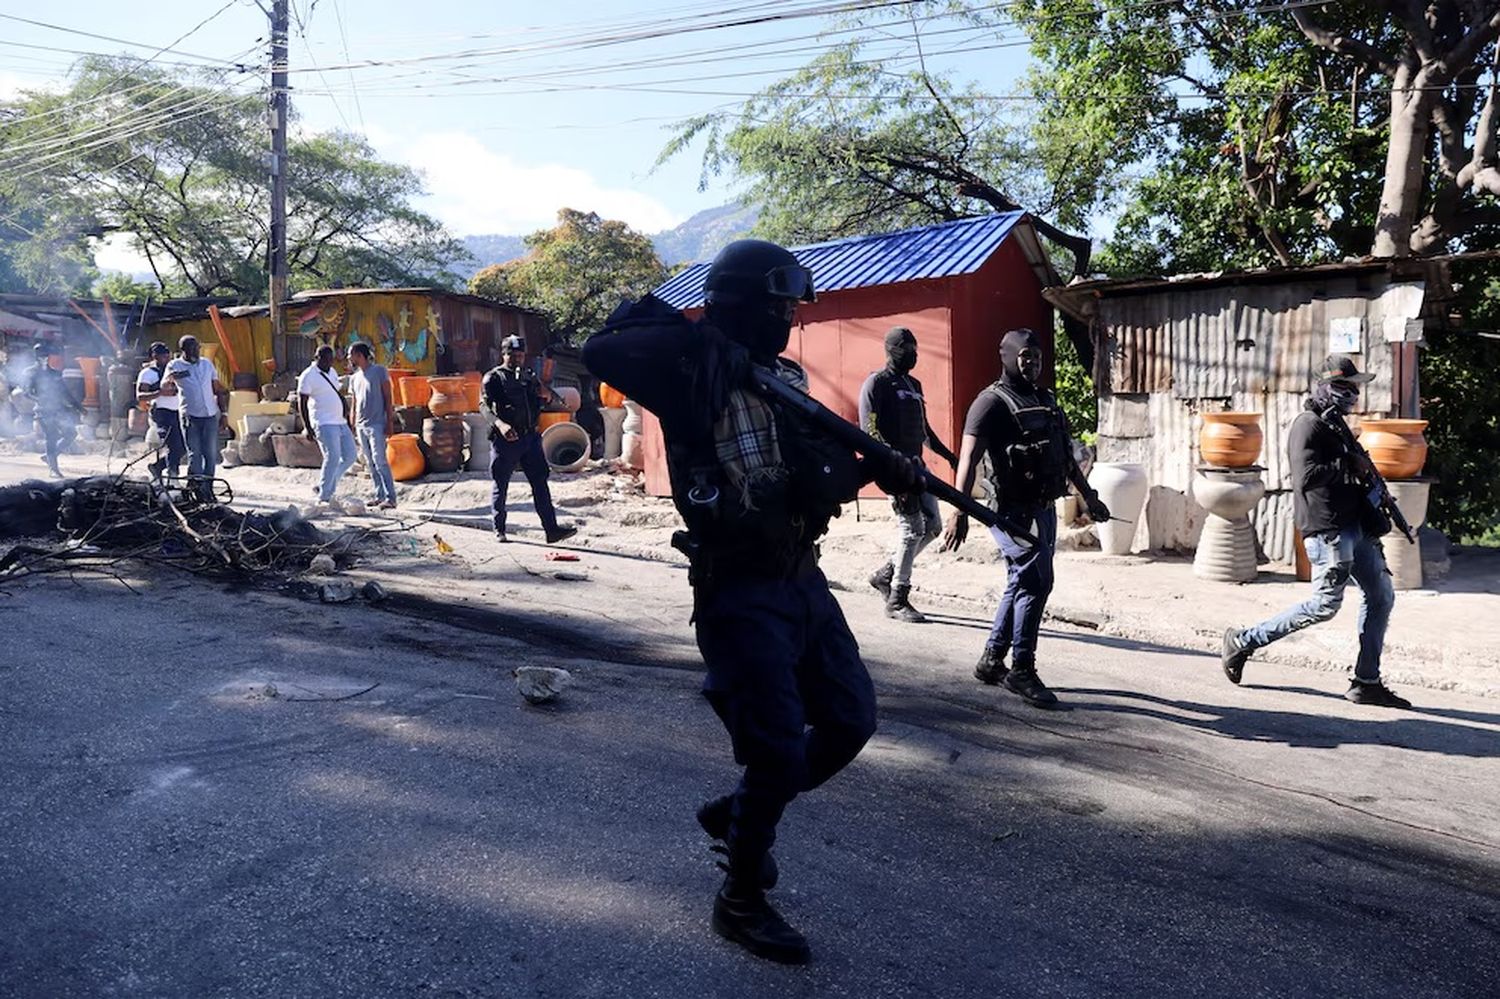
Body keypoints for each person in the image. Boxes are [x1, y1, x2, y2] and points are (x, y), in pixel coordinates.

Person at [583, 239, 920, 966]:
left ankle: (736, 815)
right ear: (740, 305)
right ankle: (738, 898)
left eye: (791, 307)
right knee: (773, 750)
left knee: (849, 718)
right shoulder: (689, 372)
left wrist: (880, 467)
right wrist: (707, 344)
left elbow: (814, 472)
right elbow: (602, 343)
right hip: (737, 588)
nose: (788, 319)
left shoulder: (786, 379)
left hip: (801, 577)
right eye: (777, 306)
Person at [1221, 354, 1410, 709]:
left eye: (1353, 387)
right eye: (1342, 386)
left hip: (1355, 525)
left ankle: (1366, 682)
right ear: (1322, 387)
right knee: (1324, 605)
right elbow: (1304, 477)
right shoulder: (1307, 424)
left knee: (1381, 595)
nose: (1351, 394)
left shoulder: (1335, 424)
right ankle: (1243, 641)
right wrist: (1346, 462)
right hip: (1328, 529)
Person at [941, 328, 1110, 709]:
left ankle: (991, 659)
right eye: (1024, 357)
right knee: (1036, 580)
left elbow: (1065, 456)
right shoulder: (989, 403)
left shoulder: (1046, 399)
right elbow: (967, 460)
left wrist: (1090, 496)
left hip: (1045, 507)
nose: (1032, 363)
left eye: (1037, 357)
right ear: (1007, 357)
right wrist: (960, 510)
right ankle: (1021, 668)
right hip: (1011, 511)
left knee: (1023, 581)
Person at [859, 326, 958, 622]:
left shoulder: (914, 384)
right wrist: (892, 461)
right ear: (891, 350)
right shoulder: (876, 384)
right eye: (907, 349)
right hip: (895, 471)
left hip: (918, 468)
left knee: (933, 527)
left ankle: (885, 574)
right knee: (912, 528)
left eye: (916, 349)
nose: (913, 354)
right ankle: (897, 600)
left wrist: (949, 456)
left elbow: (924, 430)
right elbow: (870, 430)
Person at [481, 335, 575, 544]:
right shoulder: (493, 378)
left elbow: (544, 397)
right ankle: (500, 529)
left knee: (540, 482)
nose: (517, 360)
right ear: (503, 354)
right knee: (501, 482)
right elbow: (484, 407)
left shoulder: (529, 376)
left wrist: (547, 395)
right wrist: (501, 425)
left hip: (530, 438)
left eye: (521, 356)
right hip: (506, 439)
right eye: (513, 356)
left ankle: (551, 530)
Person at [297, 344, 357, 511]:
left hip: (340, 421)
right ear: (317, 358)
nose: (330, 363)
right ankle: (324, 496)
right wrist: (307, 427)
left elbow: (336, 393)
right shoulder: (308, 375)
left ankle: (325, 484)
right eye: (326, 360)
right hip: (323, 422)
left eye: (331, 360)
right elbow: (301, 402)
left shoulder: (332, 372)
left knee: (351, 456)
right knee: (333, 457)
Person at [169, 336, 228, 493]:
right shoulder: (175, 365)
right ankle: (195, 489)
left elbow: (218, 389)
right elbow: (167, 384)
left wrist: (224, 414)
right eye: (191, 349)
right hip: (190, 416)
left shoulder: (207, 364)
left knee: (210, 455)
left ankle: (207, 491)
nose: (195, 351)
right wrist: (178, 377)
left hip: (209, 415)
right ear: (183, 350)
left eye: (197, 348)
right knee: (195, 455)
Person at [346, 342, 398, 510]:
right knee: (370, 462)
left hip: (377, 423)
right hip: (361, 425)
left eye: (350, 354)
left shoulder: (379, 371)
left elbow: (388, 397)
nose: (348, 358)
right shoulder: (354, 378)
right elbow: (354, 401)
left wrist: (390, 421)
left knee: (380, 460)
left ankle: (391, 498)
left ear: (359, 355)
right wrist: (352, 421)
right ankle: (379, 495)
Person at [22, 342, 81, 478]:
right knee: (51, 436)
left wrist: (78, 407)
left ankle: (49, 457)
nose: (43, 357)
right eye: (40, 355)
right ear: (36, 356)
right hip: (43, 411)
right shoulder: (31, 373)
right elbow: (27, 392)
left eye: (45, 355)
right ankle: (54, 469)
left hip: (58, 409)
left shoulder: (55, 373)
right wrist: (39, 400)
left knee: (71, 433)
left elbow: (65, 392)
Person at [136, 341, 185, 480]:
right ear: (154, 356)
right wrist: (160, 393)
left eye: (167, 355)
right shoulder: (147, 373)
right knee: (173, 445)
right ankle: (173, 476)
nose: (165, 358)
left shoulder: (173, 371)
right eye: (162, 356)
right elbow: (140, 396)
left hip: (179, 411)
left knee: (182, 447)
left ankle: (158, 467)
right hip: (162, 413)